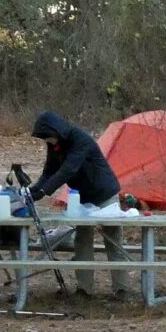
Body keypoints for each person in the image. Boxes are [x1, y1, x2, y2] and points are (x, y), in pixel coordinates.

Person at [27, 111, 131, 296]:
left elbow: (68, 169)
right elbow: (49, 171)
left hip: (105, 193)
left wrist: (46, 191)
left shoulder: (80, 139)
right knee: (82, 240)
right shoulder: (55, 145)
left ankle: (121, 289)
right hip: (83, 198)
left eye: (48, 137)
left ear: (56, 131)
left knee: (113, 240)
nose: (47, 142)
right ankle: (85, 288)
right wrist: (34, 191)